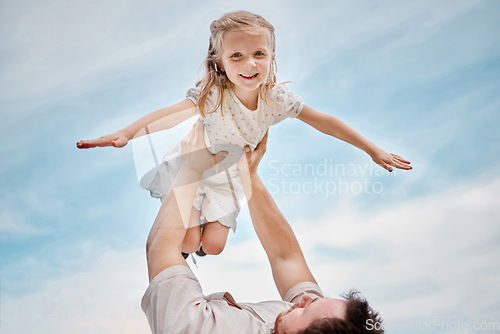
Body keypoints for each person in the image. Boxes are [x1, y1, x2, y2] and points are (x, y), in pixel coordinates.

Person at [77, 10, 411, 257]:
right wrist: (126, 133)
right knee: (189, 242)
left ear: (271, 57)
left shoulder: (275, 99)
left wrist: (371, 149)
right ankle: (183, 237)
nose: (248, 64)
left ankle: (202, 237)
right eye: (236, 55)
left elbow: (322, 120)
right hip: (190, 168)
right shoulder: (214, 95)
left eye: (258, 54)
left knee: (215, 247)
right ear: (220, 62)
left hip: (227, 178)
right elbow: (168, 116)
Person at [141, 120, 384, 333]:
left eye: (305, 308)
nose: (305, 298)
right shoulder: (307, 320)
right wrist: (250, 175)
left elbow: (160, 251)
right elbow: (286, 258)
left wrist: (191, 167)